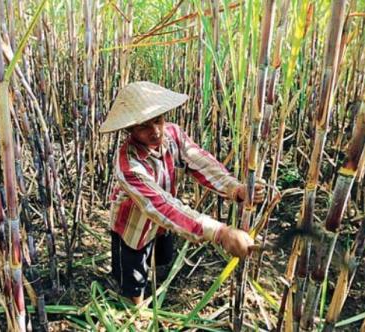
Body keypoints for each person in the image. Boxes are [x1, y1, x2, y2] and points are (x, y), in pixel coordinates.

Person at [100, 81, 265, 305]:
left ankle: (156, 287)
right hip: (134, 226)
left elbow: (201, 162)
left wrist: (235, 189)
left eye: (158, 120)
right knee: (133, 275)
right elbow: (161, 206)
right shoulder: (128, 164)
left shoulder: (173, 134)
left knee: (162, 258)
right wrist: (221, 232)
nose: (156, 131)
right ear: (130, 131)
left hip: (164, 224)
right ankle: (135, 312)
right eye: (143, 127)